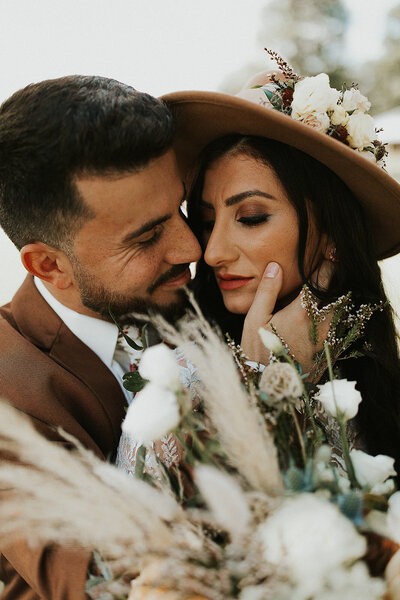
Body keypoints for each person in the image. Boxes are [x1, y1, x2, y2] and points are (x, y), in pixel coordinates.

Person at [0, 74, 203, 600]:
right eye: (148, 236)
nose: (191, 248)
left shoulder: (202, 296)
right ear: (49, 264)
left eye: (181, 209)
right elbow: (106, 579)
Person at [160, 66, 400, 476]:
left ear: (333, 234)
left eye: (250, 217)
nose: (212, 252)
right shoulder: (179, 386)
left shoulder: (375, 379)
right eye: (205, 221)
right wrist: (256, 383)